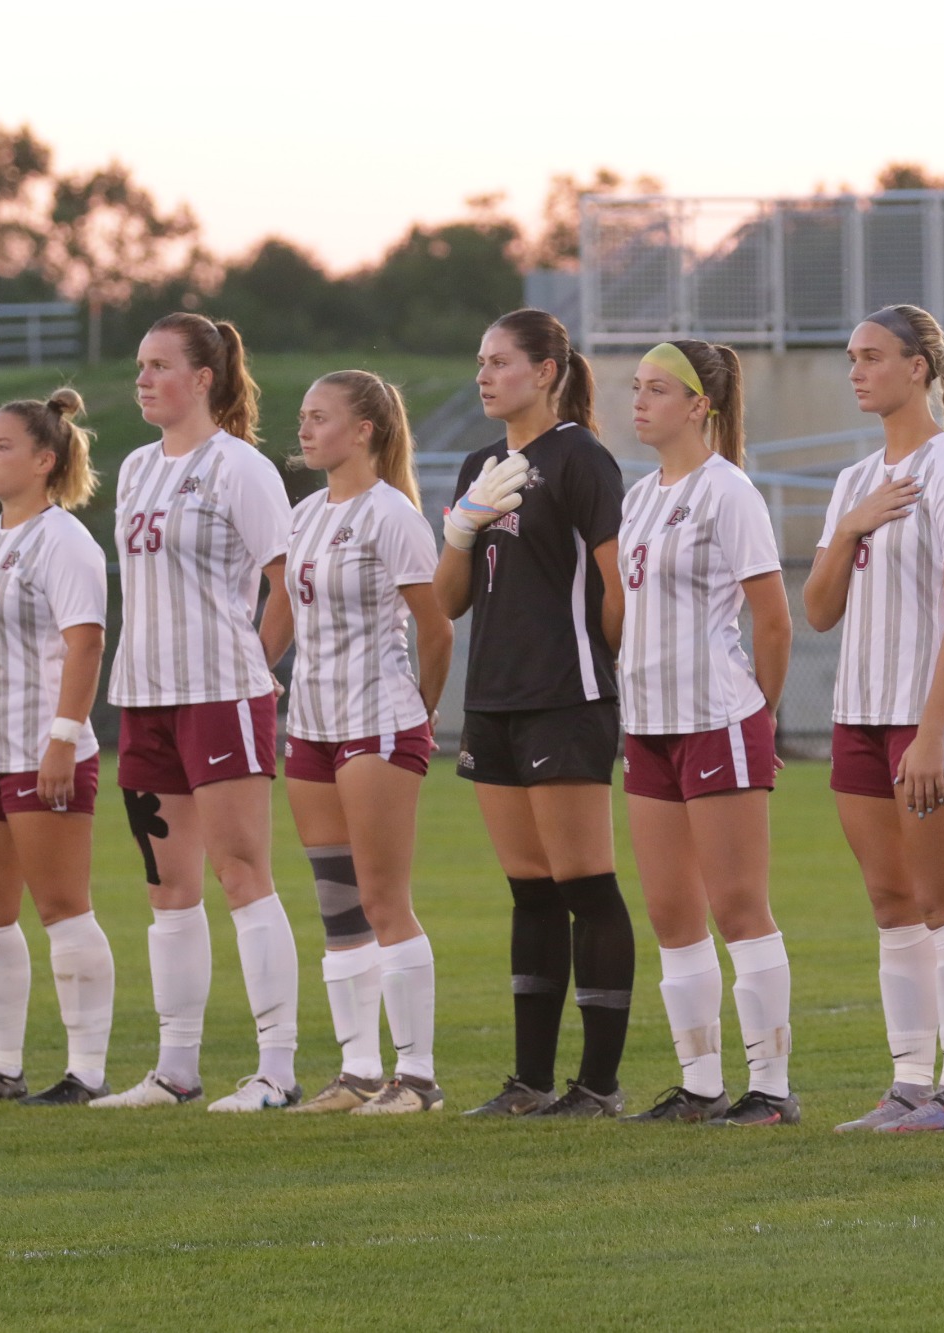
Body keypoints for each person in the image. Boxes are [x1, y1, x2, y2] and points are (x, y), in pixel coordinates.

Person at [90, 313, 303, 1113]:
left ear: (204, 378)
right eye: (139, 366)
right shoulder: (140, 466)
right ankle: (175, 1067)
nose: (143, 379)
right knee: (165, 887)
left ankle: (276, 1069)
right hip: (144, 699)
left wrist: (259, 667)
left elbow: (286, 585)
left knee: (242, 873)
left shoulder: (240, 467)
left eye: (159, 365)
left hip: (219, 694)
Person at [803, 303, 944, 1134]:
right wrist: (846, 529)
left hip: (933, 721)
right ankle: (909, 1081)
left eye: (873, 356)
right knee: (891, 900)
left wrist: (930, 730)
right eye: (852, 356)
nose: (857, 370)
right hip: (860, 715)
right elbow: (817, 610)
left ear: (919, 367)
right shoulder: (854, 481)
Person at [436, 309, 634, 1119]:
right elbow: (449, 603)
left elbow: (617, 588)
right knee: (530, 891)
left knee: (586, 884)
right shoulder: (482, 464)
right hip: (493, 699)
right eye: (480, 361)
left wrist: (610, 676)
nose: (484, 375)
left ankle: (600, 1084)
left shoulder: (582, 458)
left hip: (565, 698)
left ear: (547, 370)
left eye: (501, 361)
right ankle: (530, 1081)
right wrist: (459, 529)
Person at [616, 340, 798, 1127]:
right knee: (669, 910)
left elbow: (774, 619)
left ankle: (771, 1090)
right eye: (637, 388)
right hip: (647, 724)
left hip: (716, 717)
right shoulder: (638, 496)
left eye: (658, 389)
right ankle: (699, 1083)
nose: (640, 401)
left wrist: (760, 713)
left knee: (737, 905)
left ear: (700, 406)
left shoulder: (729, 493)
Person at [0, 390, 115, 1106]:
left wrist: (64, 738)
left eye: (1, 445)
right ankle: (0, 1065)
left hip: (42, 749)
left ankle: (86, 1071)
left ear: (45, 460)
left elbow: (86, 641)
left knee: (62, 904)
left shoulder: (63, 539)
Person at [281, 371, 453, 1115]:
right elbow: (280, 613)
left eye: (321, 417)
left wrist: (421, 707)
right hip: (312, 725)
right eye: (304, 417)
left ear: (365, 431)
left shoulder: (393, 514)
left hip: (376, 720)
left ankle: (416, 1077)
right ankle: (356, 1072)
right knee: (337, 902)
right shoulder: (305, 514)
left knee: (385, 899)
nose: (306, 429)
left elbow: (436, 626)